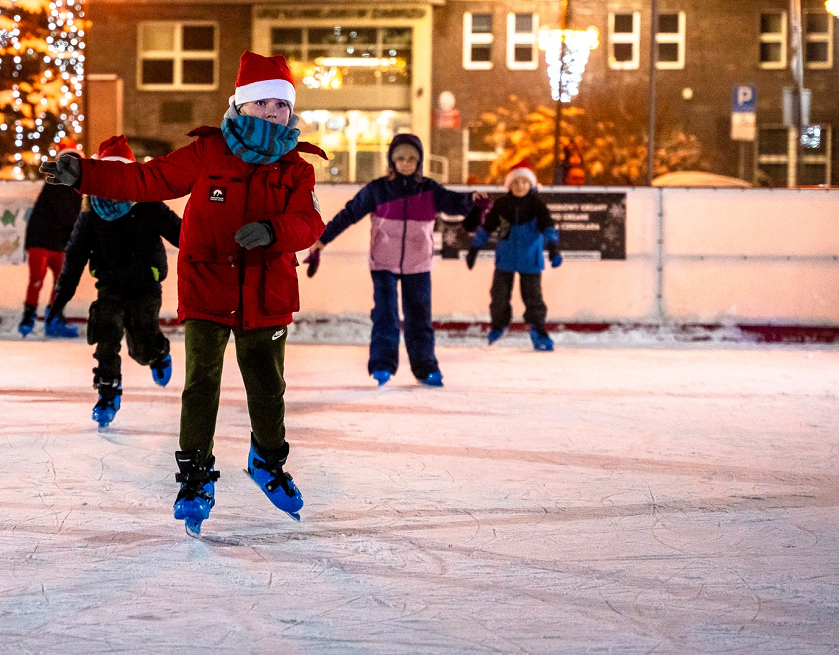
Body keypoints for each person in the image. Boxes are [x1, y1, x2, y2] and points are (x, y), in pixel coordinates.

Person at [41, 51, 325, 536]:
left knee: (266, 385)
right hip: (207, 286)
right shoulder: (209, 152)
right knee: (201, 385)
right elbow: (147, 179)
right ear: (243, 104)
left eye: (283, 105)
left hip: (266, 290)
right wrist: (84, 174)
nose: (276, 113)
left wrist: (275, 231)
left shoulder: (297, 167)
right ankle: (194, 477)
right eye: (266, 104)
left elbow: (310, 221)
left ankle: (268, 460)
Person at [305, 134, 486, 388]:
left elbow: (454, 202)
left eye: (412, 158)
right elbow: (350, 213)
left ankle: (425, 367)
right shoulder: (378, 189)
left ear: (420, 161)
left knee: (419, 315)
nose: (406, 163)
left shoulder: (429, 189)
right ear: (392, 160)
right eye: (400, 158)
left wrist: (472, 201)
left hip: (418, 264)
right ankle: (382, 364)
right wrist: (322, 240)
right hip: (383, 263)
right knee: (385, 314)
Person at [46, 135, 182, 429]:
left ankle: (158, 353)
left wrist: (211, 249)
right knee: (104, 331)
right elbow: (75, 254)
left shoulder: (148, 204)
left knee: (140, 348)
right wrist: (62, 295)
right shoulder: (91, 212)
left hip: (146, 285)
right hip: (109, 284)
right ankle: (108, 393)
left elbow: (182, 234)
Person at [465, 159, 562, 352]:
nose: (520, 186)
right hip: (506, 259)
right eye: (516, 182)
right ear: (509, 185)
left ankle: (538, 331)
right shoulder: (501, 205)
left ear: (531, 185)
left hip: (530, 258)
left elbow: (548, 227)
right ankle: (499, 325)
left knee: (533, 297)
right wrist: (474, 249)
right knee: (498, 296)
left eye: (524, 182)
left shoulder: (536, 205)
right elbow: (486, 228)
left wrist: (553, 248)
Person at [19, 139, 83, 338]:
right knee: (52, 281)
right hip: (45, 240)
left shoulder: (65, 182)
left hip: (49, 240)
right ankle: (48, 319)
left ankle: (34, 319)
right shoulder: (64, 183)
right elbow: (66, 213)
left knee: (43, 281)